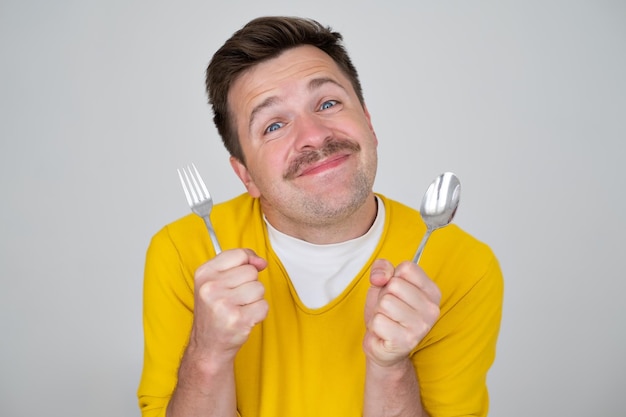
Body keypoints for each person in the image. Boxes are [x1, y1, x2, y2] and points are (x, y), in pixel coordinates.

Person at [137, 16, 503, 417]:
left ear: (369, 123)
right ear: (246, 175)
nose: (313, 135)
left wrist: (390, 368)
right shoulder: (184, 252)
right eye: (274, 125)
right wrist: (207, 354)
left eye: (328, 103)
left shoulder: (462, 266)